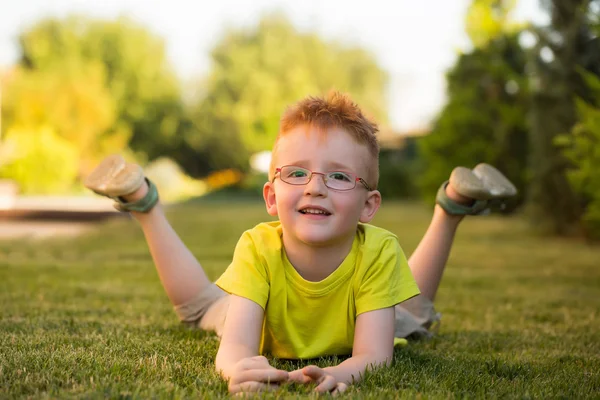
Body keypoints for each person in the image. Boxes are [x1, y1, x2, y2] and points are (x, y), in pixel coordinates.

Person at [84, 91, 516, 395]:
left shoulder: (379, 250)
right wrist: (236, 369)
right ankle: (143, 201)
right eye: (296, 173)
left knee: (412, 313)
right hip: (258, 312)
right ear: (271, 197)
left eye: (339, 176)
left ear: (369, 206)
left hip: (363, 318)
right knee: (201, 306)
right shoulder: (257, 248)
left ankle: (451, 206)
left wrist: (344, 372)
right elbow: (234, 348)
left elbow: (374, 354)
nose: (315, 188)